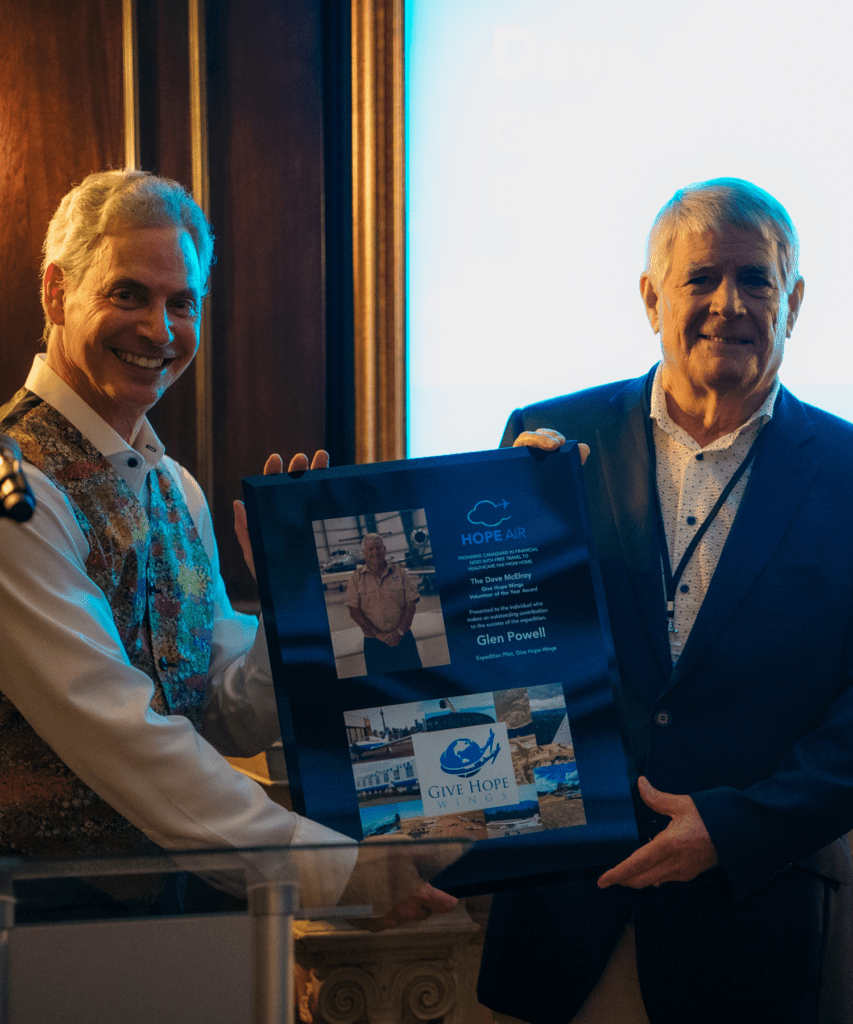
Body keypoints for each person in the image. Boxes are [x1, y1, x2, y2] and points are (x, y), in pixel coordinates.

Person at [0, 169, 455, 924]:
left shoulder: (176, 488)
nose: (159, 330)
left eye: (182, 303)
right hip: (35, 922)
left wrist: (298, 607)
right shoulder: (14, 486)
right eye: (128, 295)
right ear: (56, 292)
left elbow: (221, 714)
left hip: (183, 915)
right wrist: (335, 869)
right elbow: (116, 732)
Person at [477, 178, 853, 1024]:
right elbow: (489, 651)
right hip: (561, 921)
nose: (728, 303)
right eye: (699, 279)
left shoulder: (847, 474)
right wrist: (502, 535)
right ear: (651, 298)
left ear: (792, 301)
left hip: (751, 923)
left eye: (755, 279)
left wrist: (734, 828)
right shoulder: (545, 444)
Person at [345, 532, 423, 673]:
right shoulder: (356, 579)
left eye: (378, 547)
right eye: (370, 549)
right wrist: (377, 634)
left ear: (384, 549)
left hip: (403, 640)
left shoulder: (400, 573)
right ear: (364, 553)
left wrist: (399, 632)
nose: (375, 552)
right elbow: (353, 611)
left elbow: (411, 603)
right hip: (374, 644)